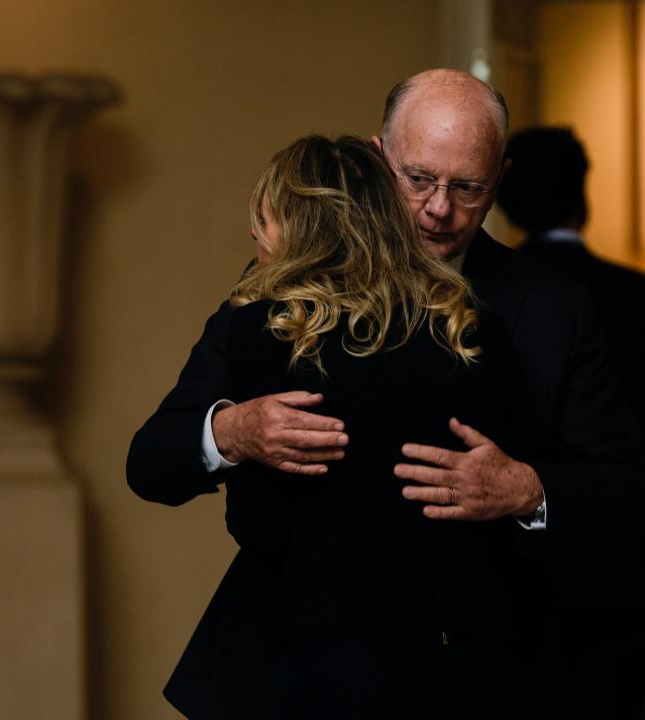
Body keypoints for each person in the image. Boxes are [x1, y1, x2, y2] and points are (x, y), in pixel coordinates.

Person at [127, 70, 644, 718]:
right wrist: (232, 432)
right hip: (292, 665)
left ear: (499, 181)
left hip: (492, 664)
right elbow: (152, 460)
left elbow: (624, 479)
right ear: (377, 159)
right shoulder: (283, 300)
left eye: (467, 188)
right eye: (420, 179)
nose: (438, 209)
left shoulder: (551, 308)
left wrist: (526, 489)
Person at [171, 133, 536, 718]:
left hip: (303, 660)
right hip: (455, 664)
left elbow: (256, 524)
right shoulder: (475, 332)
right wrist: (230, 432)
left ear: (302, 226)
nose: (253, 235)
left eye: (263, 218)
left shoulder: (262, 330)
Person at [498, 124, 645, 719]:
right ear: (584, 195)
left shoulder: (477, 295)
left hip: (509, 583)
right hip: (622, 571)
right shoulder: (634, 296)